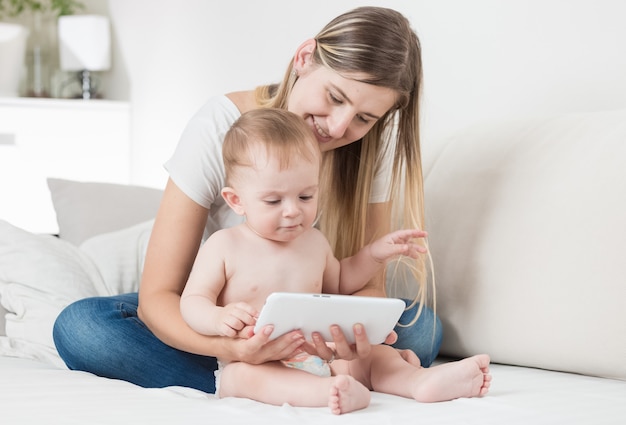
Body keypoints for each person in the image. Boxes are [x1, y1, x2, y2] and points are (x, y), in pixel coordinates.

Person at [53, 6, 444, 393]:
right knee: (83, 327)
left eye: (365, 118)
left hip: (312, 327)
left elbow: (366, 289)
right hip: (229, 319)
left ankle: (288, 380)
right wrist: (232, 347)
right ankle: (260, 378)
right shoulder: (219, 125)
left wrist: (353, 338)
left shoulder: (369, 148)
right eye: (334, 96)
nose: (340, 126)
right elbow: (159, 298)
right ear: (305, 58)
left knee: (422, 327)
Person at [180, 108, 491, 415]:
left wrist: (374, 254)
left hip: (322, 354)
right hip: (257, 359)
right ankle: (325, 392)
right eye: (274, 201)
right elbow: (192, 301)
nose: (292, 211)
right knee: (242, 377)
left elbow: (341, 282)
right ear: (237, 200)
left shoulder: (314, 241)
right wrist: (218, 318)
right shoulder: (225, 245)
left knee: (376, 355)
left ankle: (417, 381)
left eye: (305, 197)